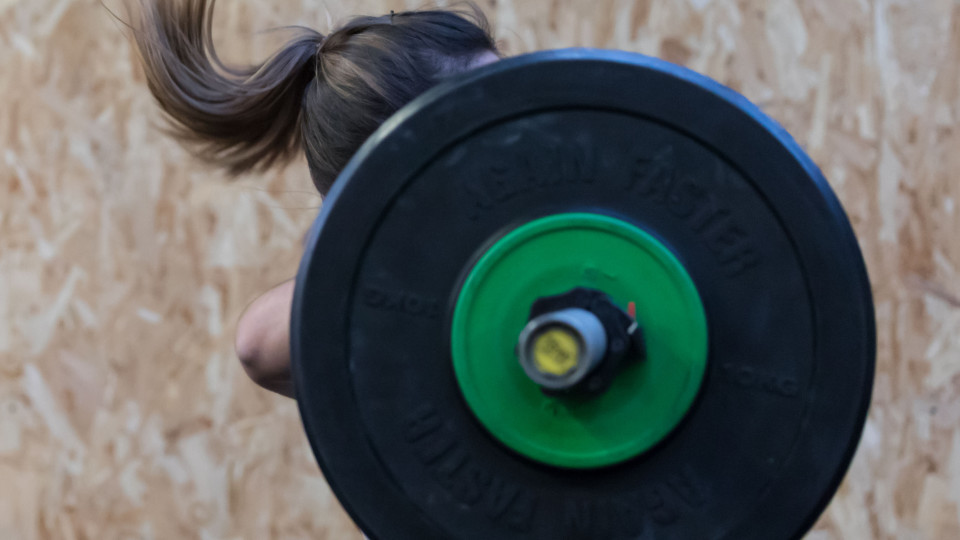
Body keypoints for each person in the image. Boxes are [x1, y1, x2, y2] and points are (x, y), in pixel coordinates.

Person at [129, 0, 501, 397]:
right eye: (496, 108)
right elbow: (256, 344)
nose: (530, 113)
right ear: (403, 166)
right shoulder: (396, 304)